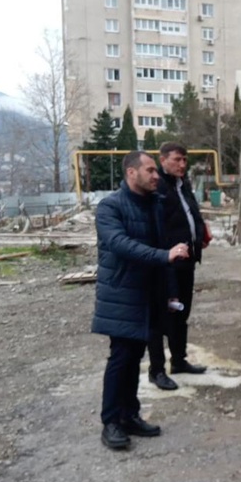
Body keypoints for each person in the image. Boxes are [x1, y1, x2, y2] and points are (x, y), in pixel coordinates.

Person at [92, 151, 191, 450]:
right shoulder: (110, 207)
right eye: (150, 170)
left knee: (135, 356)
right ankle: (111, 422)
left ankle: (129, 415)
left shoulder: (154, 204)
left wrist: (170, 290)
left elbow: (163, 248)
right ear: (131, 173)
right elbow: (120, 244)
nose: (156, 175)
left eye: (155, 171)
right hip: (122, 293)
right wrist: (164, 256)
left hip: (150, 293)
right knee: (121, 357)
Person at [146, 142, 211, 391]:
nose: (182, 164)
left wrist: (200, 233)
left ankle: (179, 361)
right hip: (165, 264)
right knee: (161, 316)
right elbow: (157, 225)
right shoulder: (158, 187)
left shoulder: (182, 184)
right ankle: (157, 370)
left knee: (181, 313)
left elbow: (190, 213)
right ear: (163, 160)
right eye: (177, 159)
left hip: (186, 261)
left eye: (185, 160)